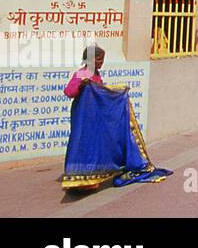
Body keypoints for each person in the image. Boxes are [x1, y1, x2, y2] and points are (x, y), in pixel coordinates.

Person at [60, 44, 172, 191]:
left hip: (96, 119)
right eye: (100, 59)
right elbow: (69, 91)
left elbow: (100, 94)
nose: (102, 63)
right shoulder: (82, 74)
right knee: (83, 145)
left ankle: (93, 177)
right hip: (84, 119)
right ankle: (80, 181)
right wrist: (81, 84)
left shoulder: (96, 74)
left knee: (97, 147)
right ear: (92, 59)